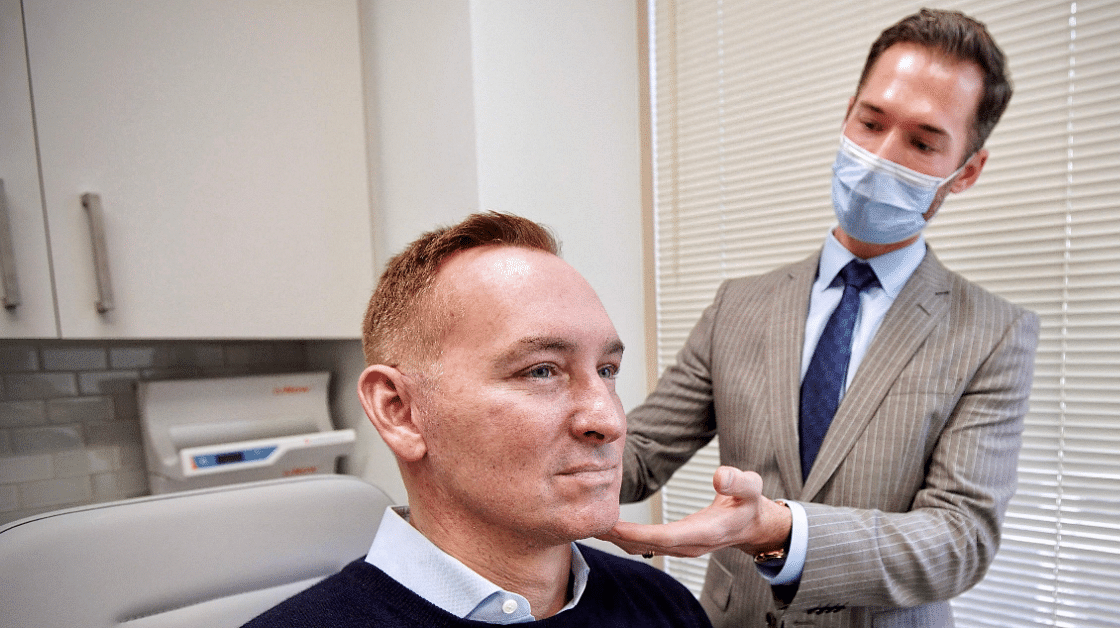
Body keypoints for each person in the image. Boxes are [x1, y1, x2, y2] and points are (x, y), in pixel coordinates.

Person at [600, 9, 1040, 627]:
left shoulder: (994, 334)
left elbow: (959, 540)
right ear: (847, 116)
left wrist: (778, 529)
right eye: (871, 122)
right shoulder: (739, 305)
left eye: (922, 141)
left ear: (965, 171)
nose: (880, 156)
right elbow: (640, 456)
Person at [242, 212, 711, 627]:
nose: (608, 419)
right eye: (541, 370)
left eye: (606, 371)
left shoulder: (665, 604)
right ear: (399, 411)